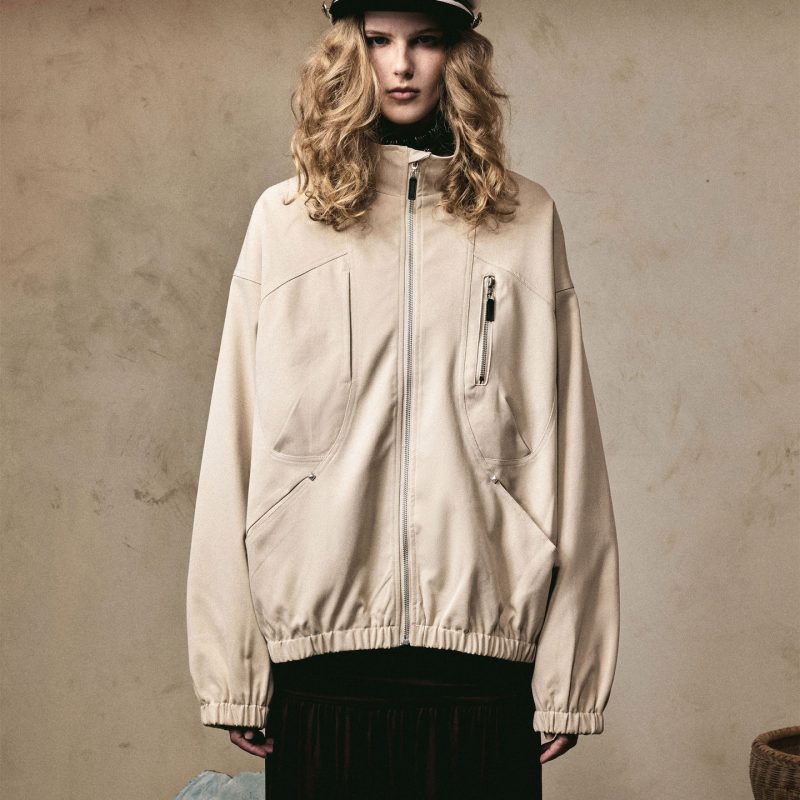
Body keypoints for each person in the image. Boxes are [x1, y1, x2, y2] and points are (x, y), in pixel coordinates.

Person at [185, 1, 621, 798]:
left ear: (458, 55)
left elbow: (573, 453)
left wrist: (571, 673)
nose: (401, 65)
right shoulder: (284, 222)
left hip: (482, 667)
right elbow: (233, 440)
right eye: (379, 41)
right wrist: (233, 668)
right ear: (347, 52)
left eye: (426, 41)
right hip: (321, 668)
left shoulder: (525, 219)